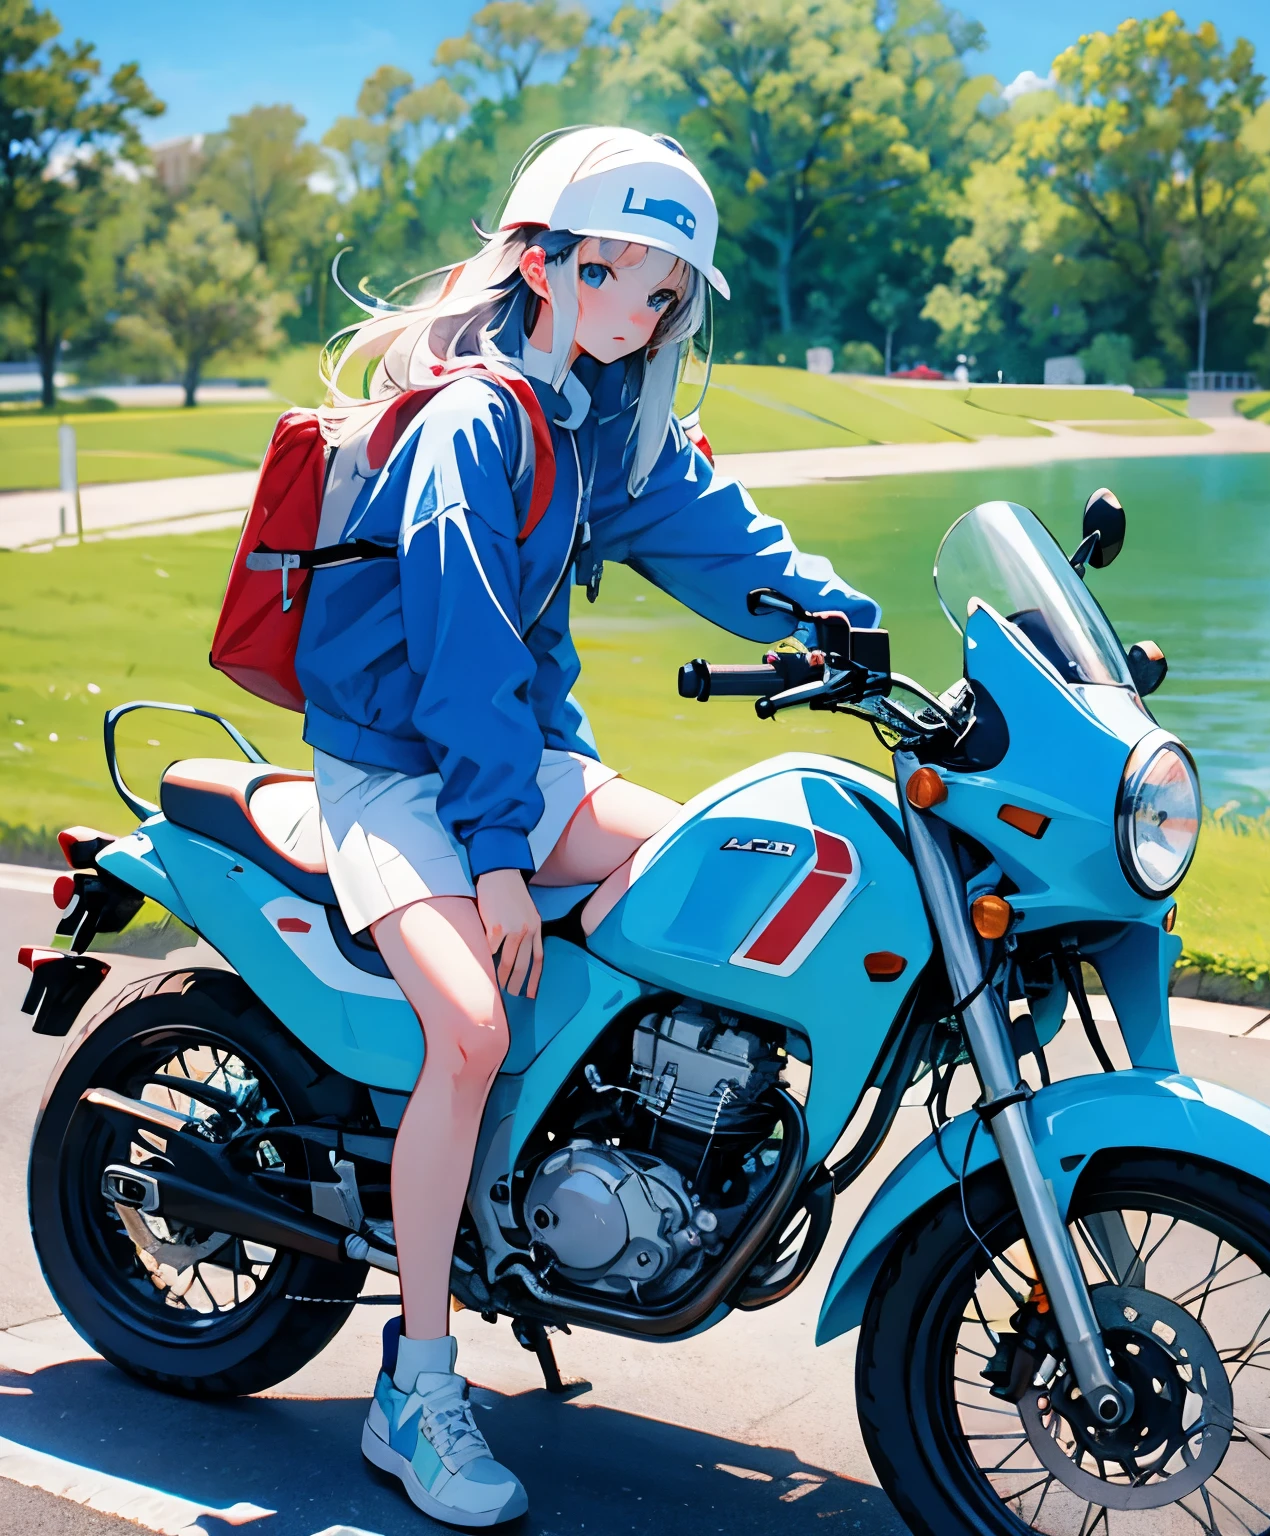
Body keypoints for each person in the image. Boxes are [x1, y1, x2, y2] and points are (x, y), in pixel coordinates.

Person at [293, 126, 879, 1527]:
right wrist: (497, 861)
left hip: (507, 759)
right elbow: (462, 654)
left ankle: (575, 1159)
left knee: (707, 873)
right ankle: (414, 1384)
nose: (651, 311)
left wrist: (850, 623)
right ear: (548, 261)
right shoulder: (472, 420)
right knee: (470, 1030)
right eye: (633, 277)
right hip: (398, 776)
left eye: (672, 295)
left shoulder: (595, 419)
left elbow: (718, 534)